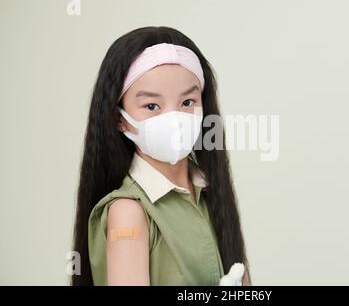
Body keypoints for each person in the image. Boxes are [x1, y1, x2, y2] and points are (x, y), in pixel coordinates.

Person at [71, 26, 251, 286]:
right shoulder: (128, 212)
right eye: (151, 106)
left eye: (187, 102)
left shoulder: (211, 192)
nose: (174, 118)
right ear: (119, 119)